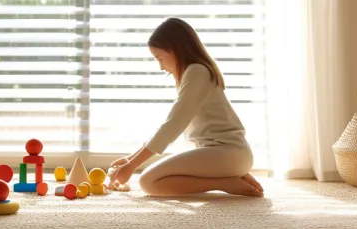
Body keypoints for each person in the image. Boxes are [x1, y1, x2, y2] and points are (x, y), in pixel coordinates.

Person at [106, 18, 265, 197]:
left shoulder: (197, 71)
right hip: (226, 154)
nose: (161, 67)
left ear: (176, 49)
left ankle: (225, 181)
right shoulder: (196, 71)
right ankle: (232, 175)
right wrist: (129, 159)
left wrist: (132, 165)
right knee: (153, 179)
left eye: (160, 58)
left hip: (228, 153)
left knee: (148, 182)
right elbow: (170, 125)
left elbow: (173, 125)